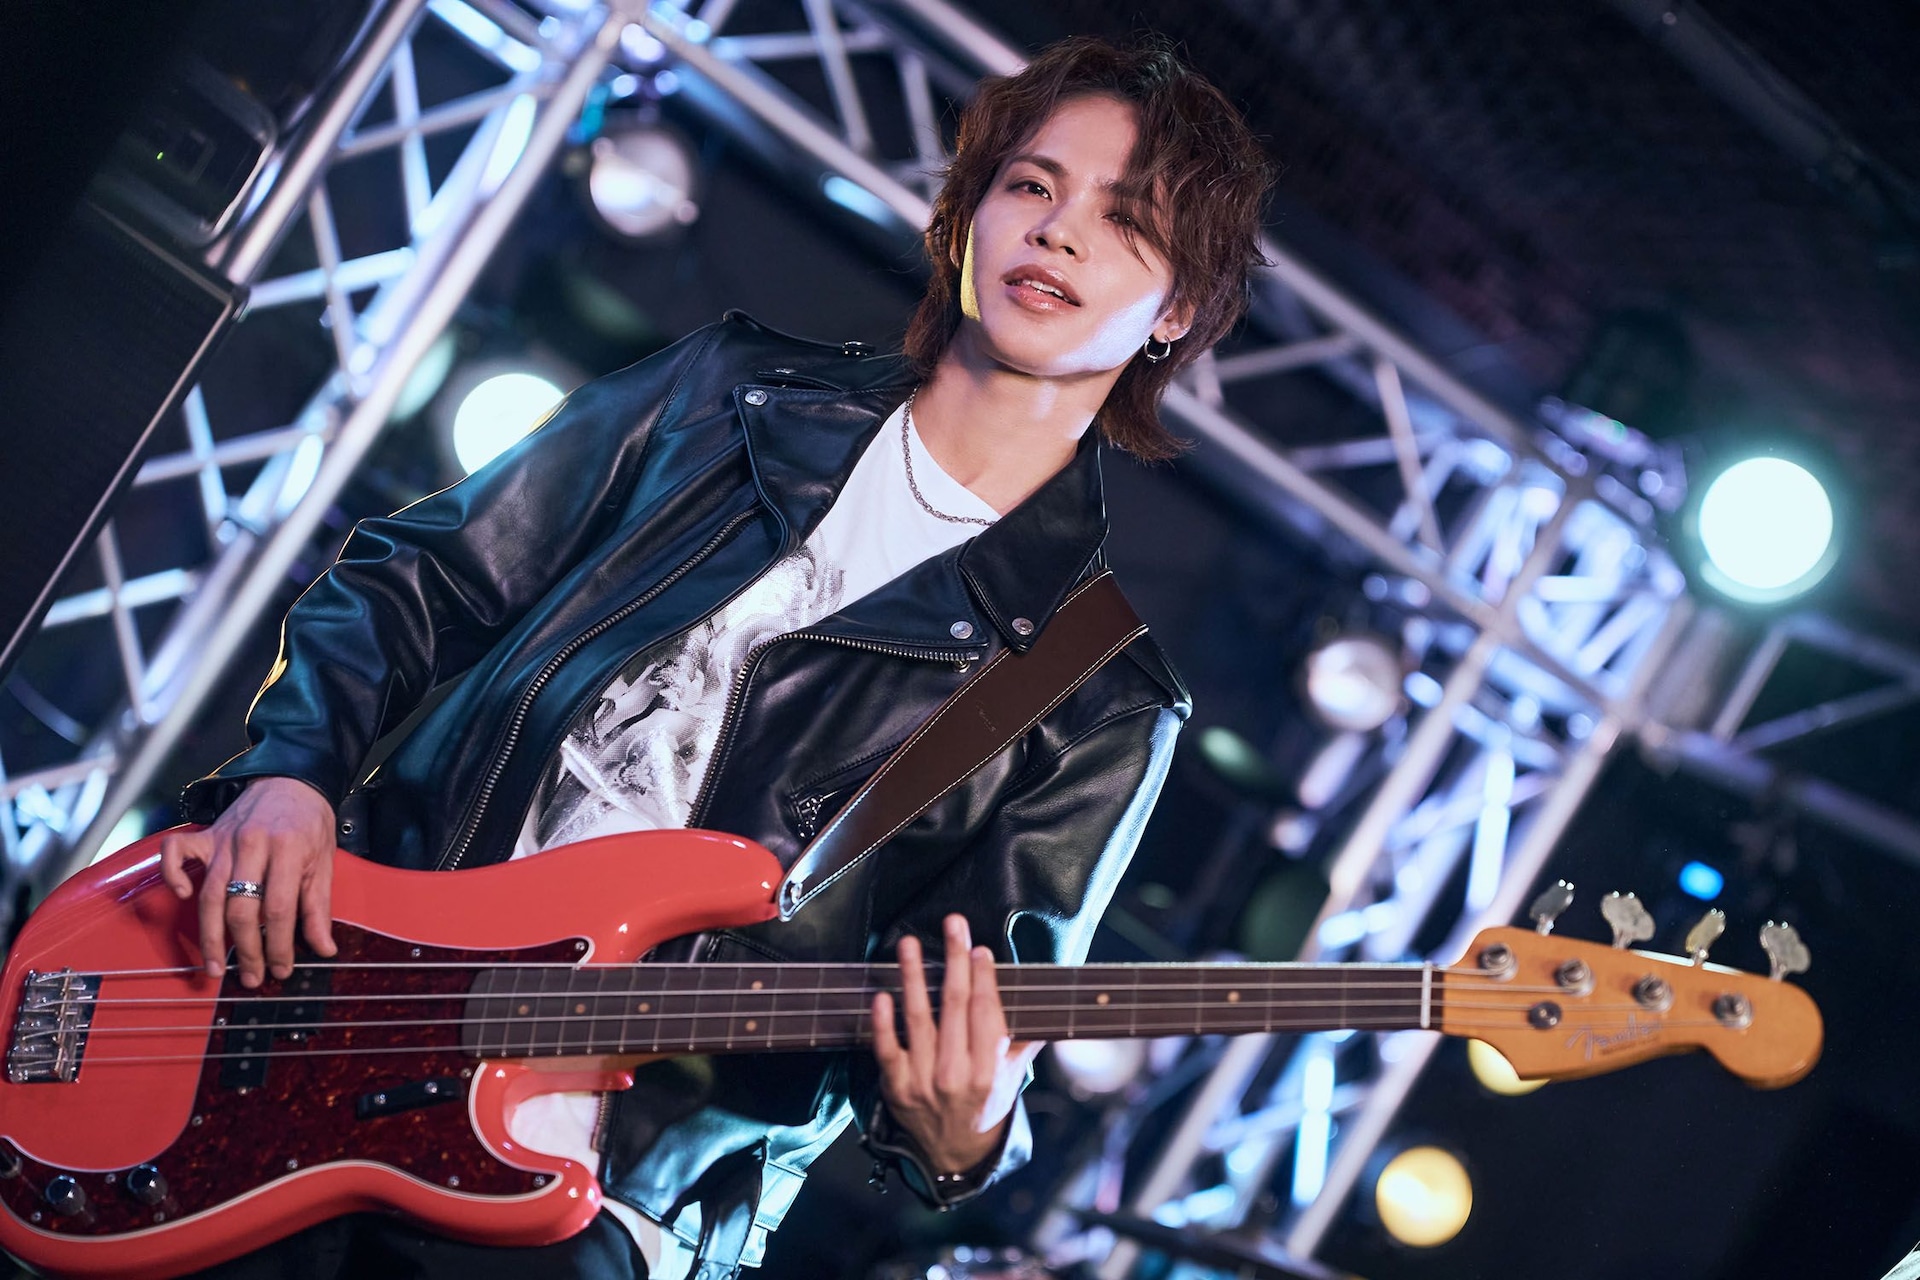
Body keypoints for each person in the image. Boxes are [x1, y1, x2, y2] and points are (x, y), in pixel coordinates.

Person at [160, 34, 1271, 1280]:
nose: (1057, 232)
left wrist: (966, 1131)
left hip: (600, 1192)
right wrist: (292, 771)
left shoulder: (1095, 694)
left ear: (1180, 310)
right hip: (323, 1006)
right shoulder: (726, 393)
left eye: (1124, 221)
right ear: (969, 211)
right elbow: (419, 579)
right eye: (1031, 184)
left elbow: (968, 1020)